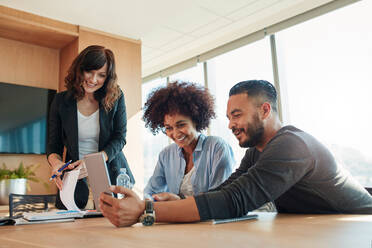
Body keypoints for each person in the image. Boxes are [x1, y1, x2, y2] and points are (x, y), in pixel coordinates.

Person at [99, 80, 372, 227]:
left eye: (237, 115)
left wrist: (147, 210)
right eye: (229, 117)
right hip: (323, 229)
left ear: (265, 110)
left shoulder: (292, 144)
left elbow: (234, 200)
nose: (230, 125)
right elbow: (224, 190)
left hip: (359, 226)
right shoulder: (258, 151)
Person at [47, 45, 135, 209]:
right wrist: (56, 164)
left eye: (101, 75)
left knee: (113, 226)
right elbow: (54, 144)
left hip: (111, 171)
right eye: (89, 71)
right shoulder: (61, 101)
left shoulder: (115, 97)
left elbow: (120, 137)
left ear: (107, 77)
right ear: (79, 69)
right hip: (75, 177)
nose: (93, 79)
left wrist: (96, 162)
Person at [142, 81, 235, 200]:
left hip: (209, 218)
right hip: (174, 218)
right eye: (169, 128)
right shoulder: (166, 155)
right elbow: (149, 192)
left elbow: (219, 199)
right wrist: (150, 200)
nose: (175, 134)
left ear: (195, 121)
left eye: (181, 125)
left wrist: (179, 201)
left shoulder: (217, 148)